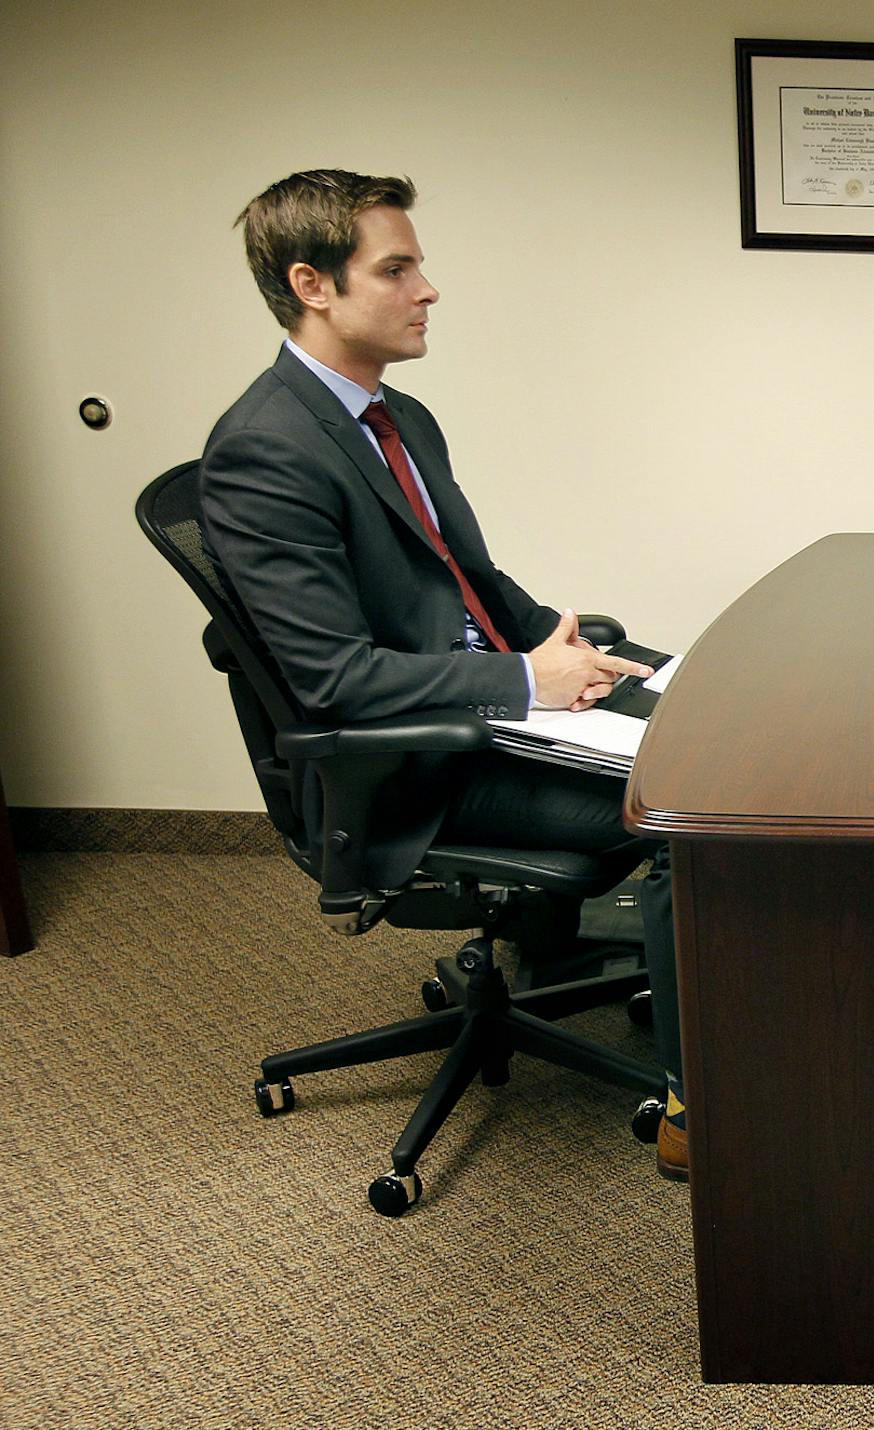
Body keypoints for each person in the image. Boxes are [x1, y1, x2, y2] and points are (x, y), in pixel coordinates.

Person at [199, 170, 690, 1181]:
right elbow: (333, 680)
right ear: (313, 284)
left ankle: (561, 948)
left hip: (487, 709)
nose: (428, 288)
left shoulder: (397, 417)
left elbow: (470, 579)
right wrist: (522, 685)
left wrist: (576, 652)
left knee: (698, 712)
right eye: (398, 266)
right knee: (694, 812)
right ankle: (695, 1105)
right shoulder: (263, 451)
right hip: (423, 760)